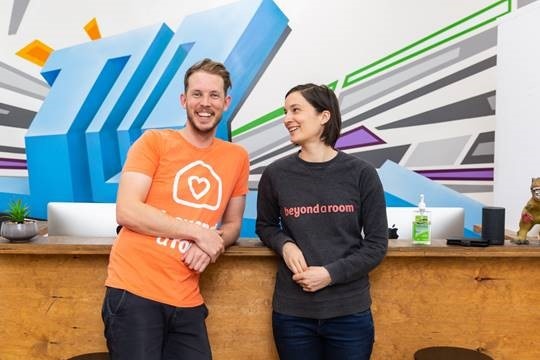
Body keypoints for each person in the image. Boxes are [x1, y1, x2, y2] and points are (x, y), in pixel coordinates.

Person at [102, 58, 249, 360]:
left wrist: (213, 244)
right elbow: (127, 210)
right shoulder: (154, 142)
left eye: (214, 95)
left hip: (186, 298)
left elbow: (234, 223)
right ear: (184, 99)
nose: (204, 103)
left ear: (226, 102)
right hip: (134, 292)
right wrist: (199, 233)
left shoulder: (236, 157)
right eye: (197, 94)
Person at [256, 83, 388, 360]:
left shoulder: (362, 174)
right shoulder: (276, 174)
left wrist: (330, 275)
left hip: (348, 313)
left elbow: (376, 245)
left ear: (324, 116)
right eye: (285, 111)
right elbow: (265, 226)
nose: (286, 119)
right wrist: (286, 245)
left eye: (296, 110)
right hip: (293, 315)